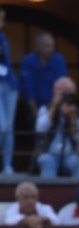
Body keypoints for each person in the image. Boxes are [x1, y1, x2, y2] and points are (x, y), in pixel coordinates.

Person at [34, 77, 79, 179]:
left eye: (69, 92)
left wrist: (73, 118)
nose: (65, 96)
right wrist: (54, 107)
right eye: (62, 92)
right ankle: (49, 194)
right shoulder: (45, 108)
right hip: (49, 152)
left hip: (70, 154)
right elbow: (40, 129)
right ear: (54, 92)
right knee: (46, 160)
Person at [19, 32, 68, 121]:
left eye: (52, 46)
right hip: (33, 106)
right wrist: (36, 113)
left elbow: (61, 87)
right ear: (38, 46)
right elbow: (27, 89)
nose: (51, 49)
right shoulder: (28, 61)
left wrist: (51, 111)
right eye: (47, 46)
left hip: (54, 106)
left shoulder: (59, 60)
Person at [0, 8, 18, 175]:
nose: (3, 23)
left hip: (9, 84)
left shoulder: (3, 37)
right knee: (2, 125)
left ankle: (7, 165)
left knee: (9, 127)